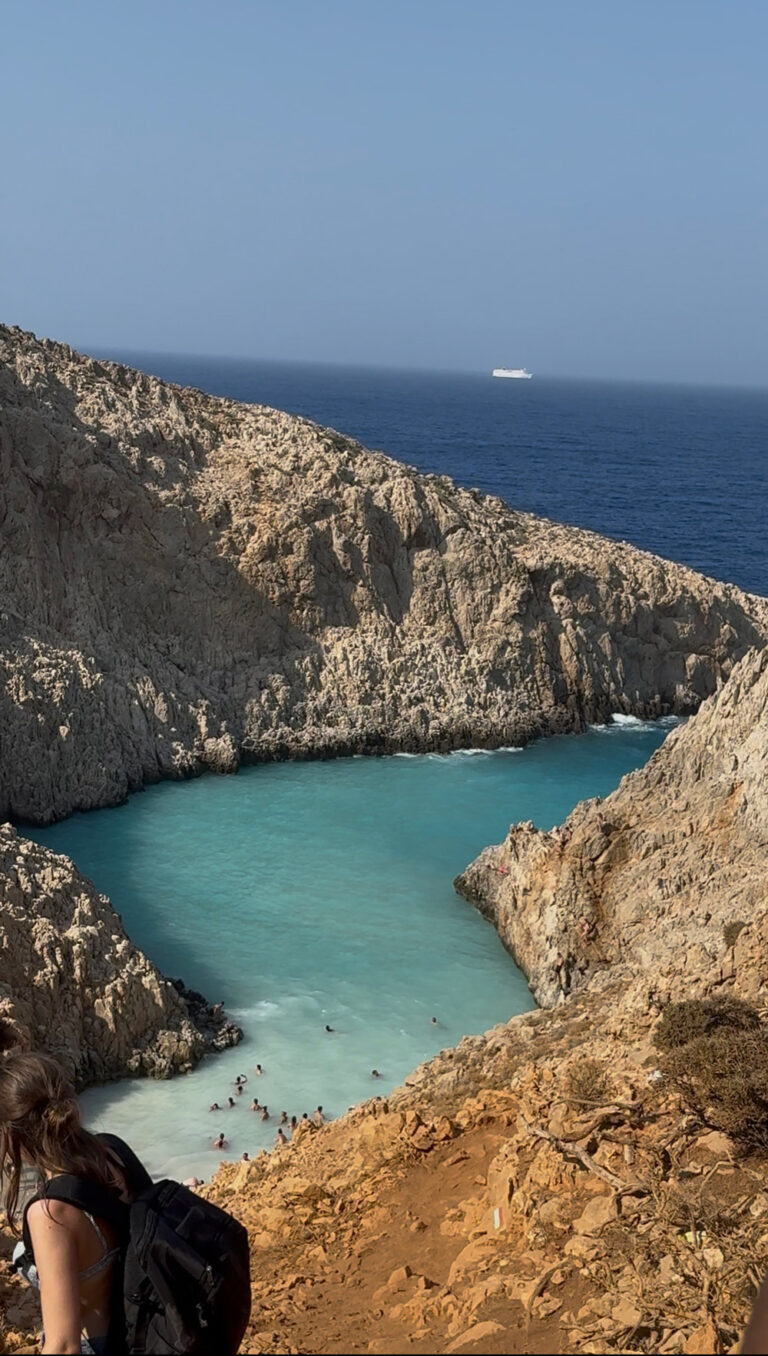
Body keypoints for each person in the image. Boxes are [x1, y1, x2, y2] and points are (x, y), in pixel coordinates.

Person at [0, 1050, 134, 1356]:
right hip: (135, 1334)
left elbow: (64, 1346)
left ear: (11, 1131)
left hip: (96, 1345)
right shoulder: (113, 1152)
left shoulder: (50, 1212)